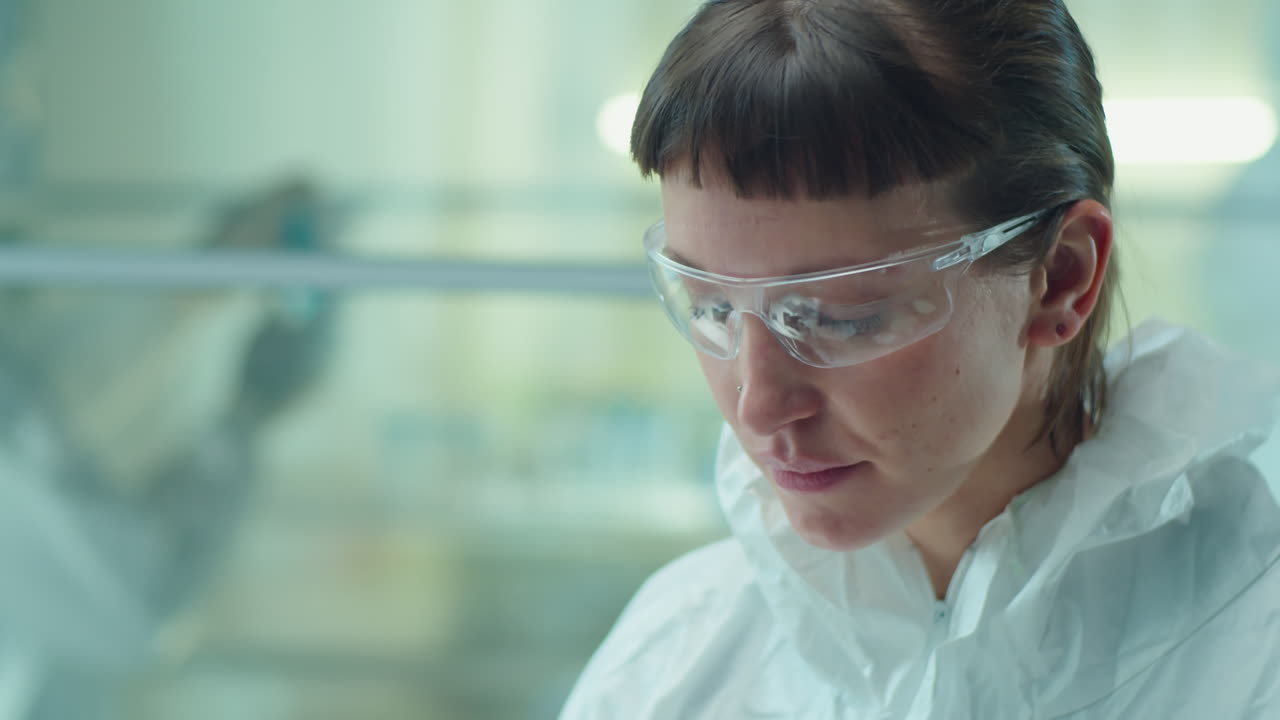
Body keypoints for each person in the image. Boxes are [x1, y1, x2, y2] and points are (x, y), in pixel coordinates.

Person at [560, 0, 1280, 717]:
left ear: (1061, 276)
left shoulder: (1252, 650)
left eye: (840, 316)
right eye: (712, 305)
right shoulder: (674, 657)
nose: (758, 406)